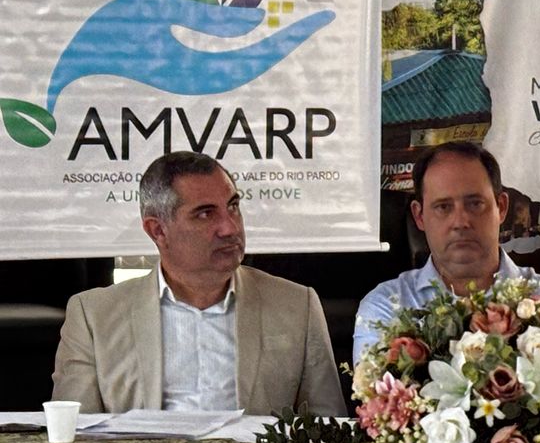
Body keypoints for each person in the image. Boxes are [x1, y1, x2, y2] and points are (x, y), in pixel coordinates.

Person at [52, 152, 343, 416]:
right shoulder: (93, 316)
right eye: (205, 213)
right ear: (158, 230)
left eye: (233, 206)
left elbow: (331, 430)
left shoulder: (297, 305)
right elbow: (73, 436)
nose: (230, 227)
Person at [353, 141, 540, 362]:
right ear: (419, 216)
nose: (460, 222)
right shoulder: (386, 308)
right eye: (443, 207)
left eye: (475, 204)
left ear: (501, 207)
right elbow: (375, 387)